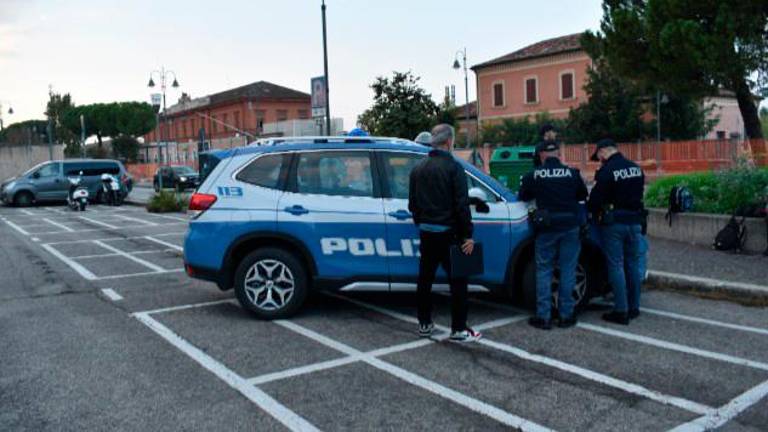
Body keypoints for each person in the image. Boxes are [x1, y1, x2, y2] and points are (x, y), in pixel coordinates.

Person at [408, 124, 481, 342]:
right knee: (458, 282)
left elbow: (413, 204)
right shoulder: (454, 167)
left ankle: (424, 324)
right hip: (450, 234)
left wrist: (422, 222)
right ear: (449, 142)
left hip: (427, 233)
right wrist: (468, 234)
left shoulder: (418, 168)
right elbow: (461, 205)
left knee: (425, 280)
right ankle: (458, 329)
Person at [518, 141, 588, 330]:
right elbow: (583, 195)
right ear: (558, 154)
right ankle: (566, 316)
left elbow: (523, 196)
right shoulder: (572, 174)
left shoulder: (533, 175)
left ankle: (544, 317)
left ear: (541, 155)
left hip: (547, 228)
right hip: (570, 226)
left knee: (544, 270)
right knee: (568, 270)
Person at [587, 139, 646, 325]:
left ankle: (620, 310)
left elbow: (595, 201)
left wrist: (591, 210)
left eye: (599, 157)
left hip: (614, 225)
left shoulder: (607, 171)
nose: (600, 160)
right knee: (633, 265)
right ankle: (634, 307)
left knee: (616, 266)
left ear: (603, 151)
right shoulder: (636, 168)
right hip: (635, 222)